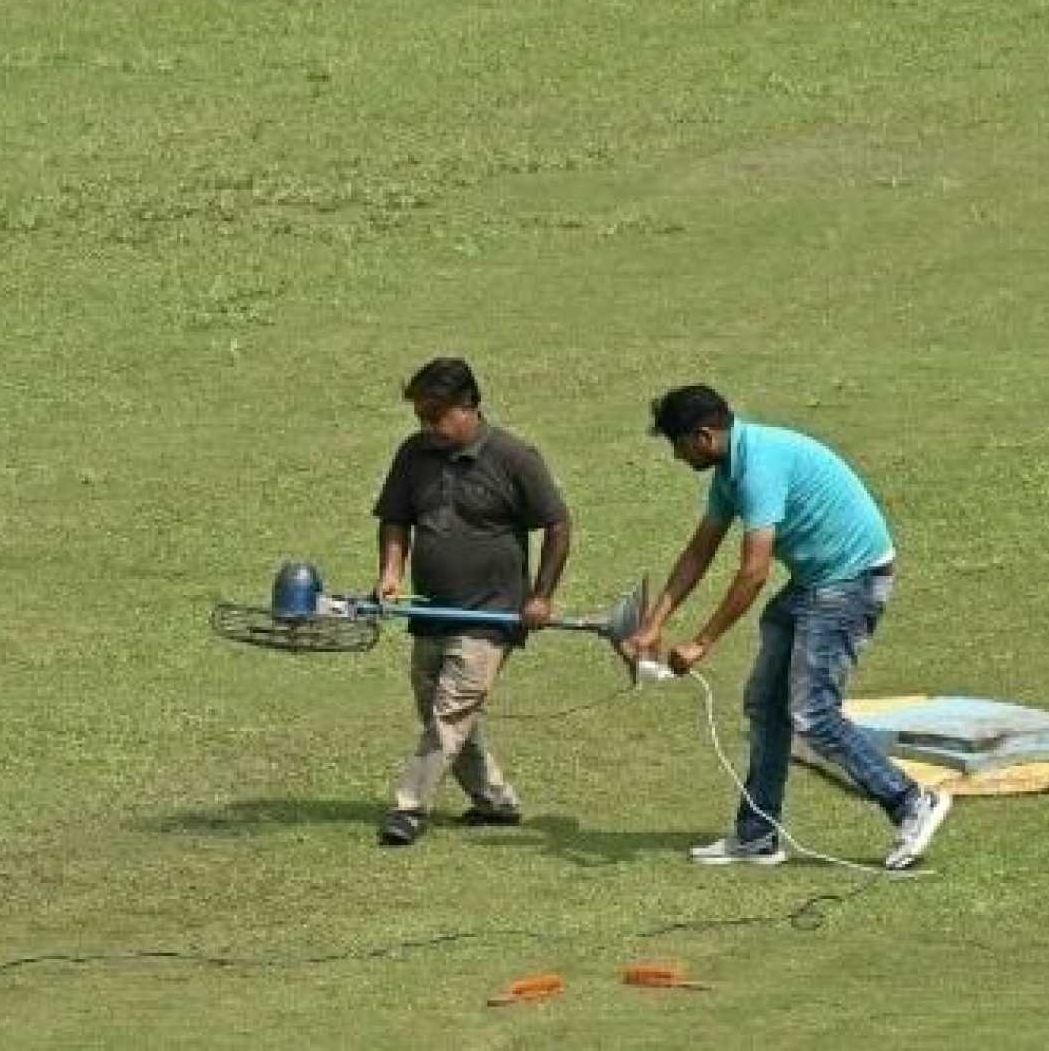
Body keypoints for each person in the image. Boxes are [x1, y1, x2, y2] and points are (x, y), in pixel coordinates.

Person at [620, 385, 950, 870]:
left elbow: (753, 572)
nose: (676, 455)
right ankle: (757, 836)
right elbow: (700, 551)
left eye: (677, 444)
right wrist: (654, 624)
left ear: (704, 436)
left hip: (851, 579)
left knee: (813, 713)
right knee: (766, 705)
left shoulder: (757, 469)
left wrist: (702, 642)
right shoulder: (730, 469)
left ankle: (910, 801)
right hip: (815, 580)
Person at [372, 358, 572, 847]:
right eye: (421, 416)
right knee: (442, 713)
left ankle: (409, 806)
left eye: (437, 415)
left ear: (470, 406)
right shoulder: (413, 455)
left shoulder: (514, 458)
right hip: (431, 610)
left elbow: (558, 526)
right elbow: (396, 519)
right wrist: (391, 573)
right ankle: (495, 801)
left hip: (491, 614)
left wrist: (541, 596)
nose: (428, 427)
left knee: (451, 710)